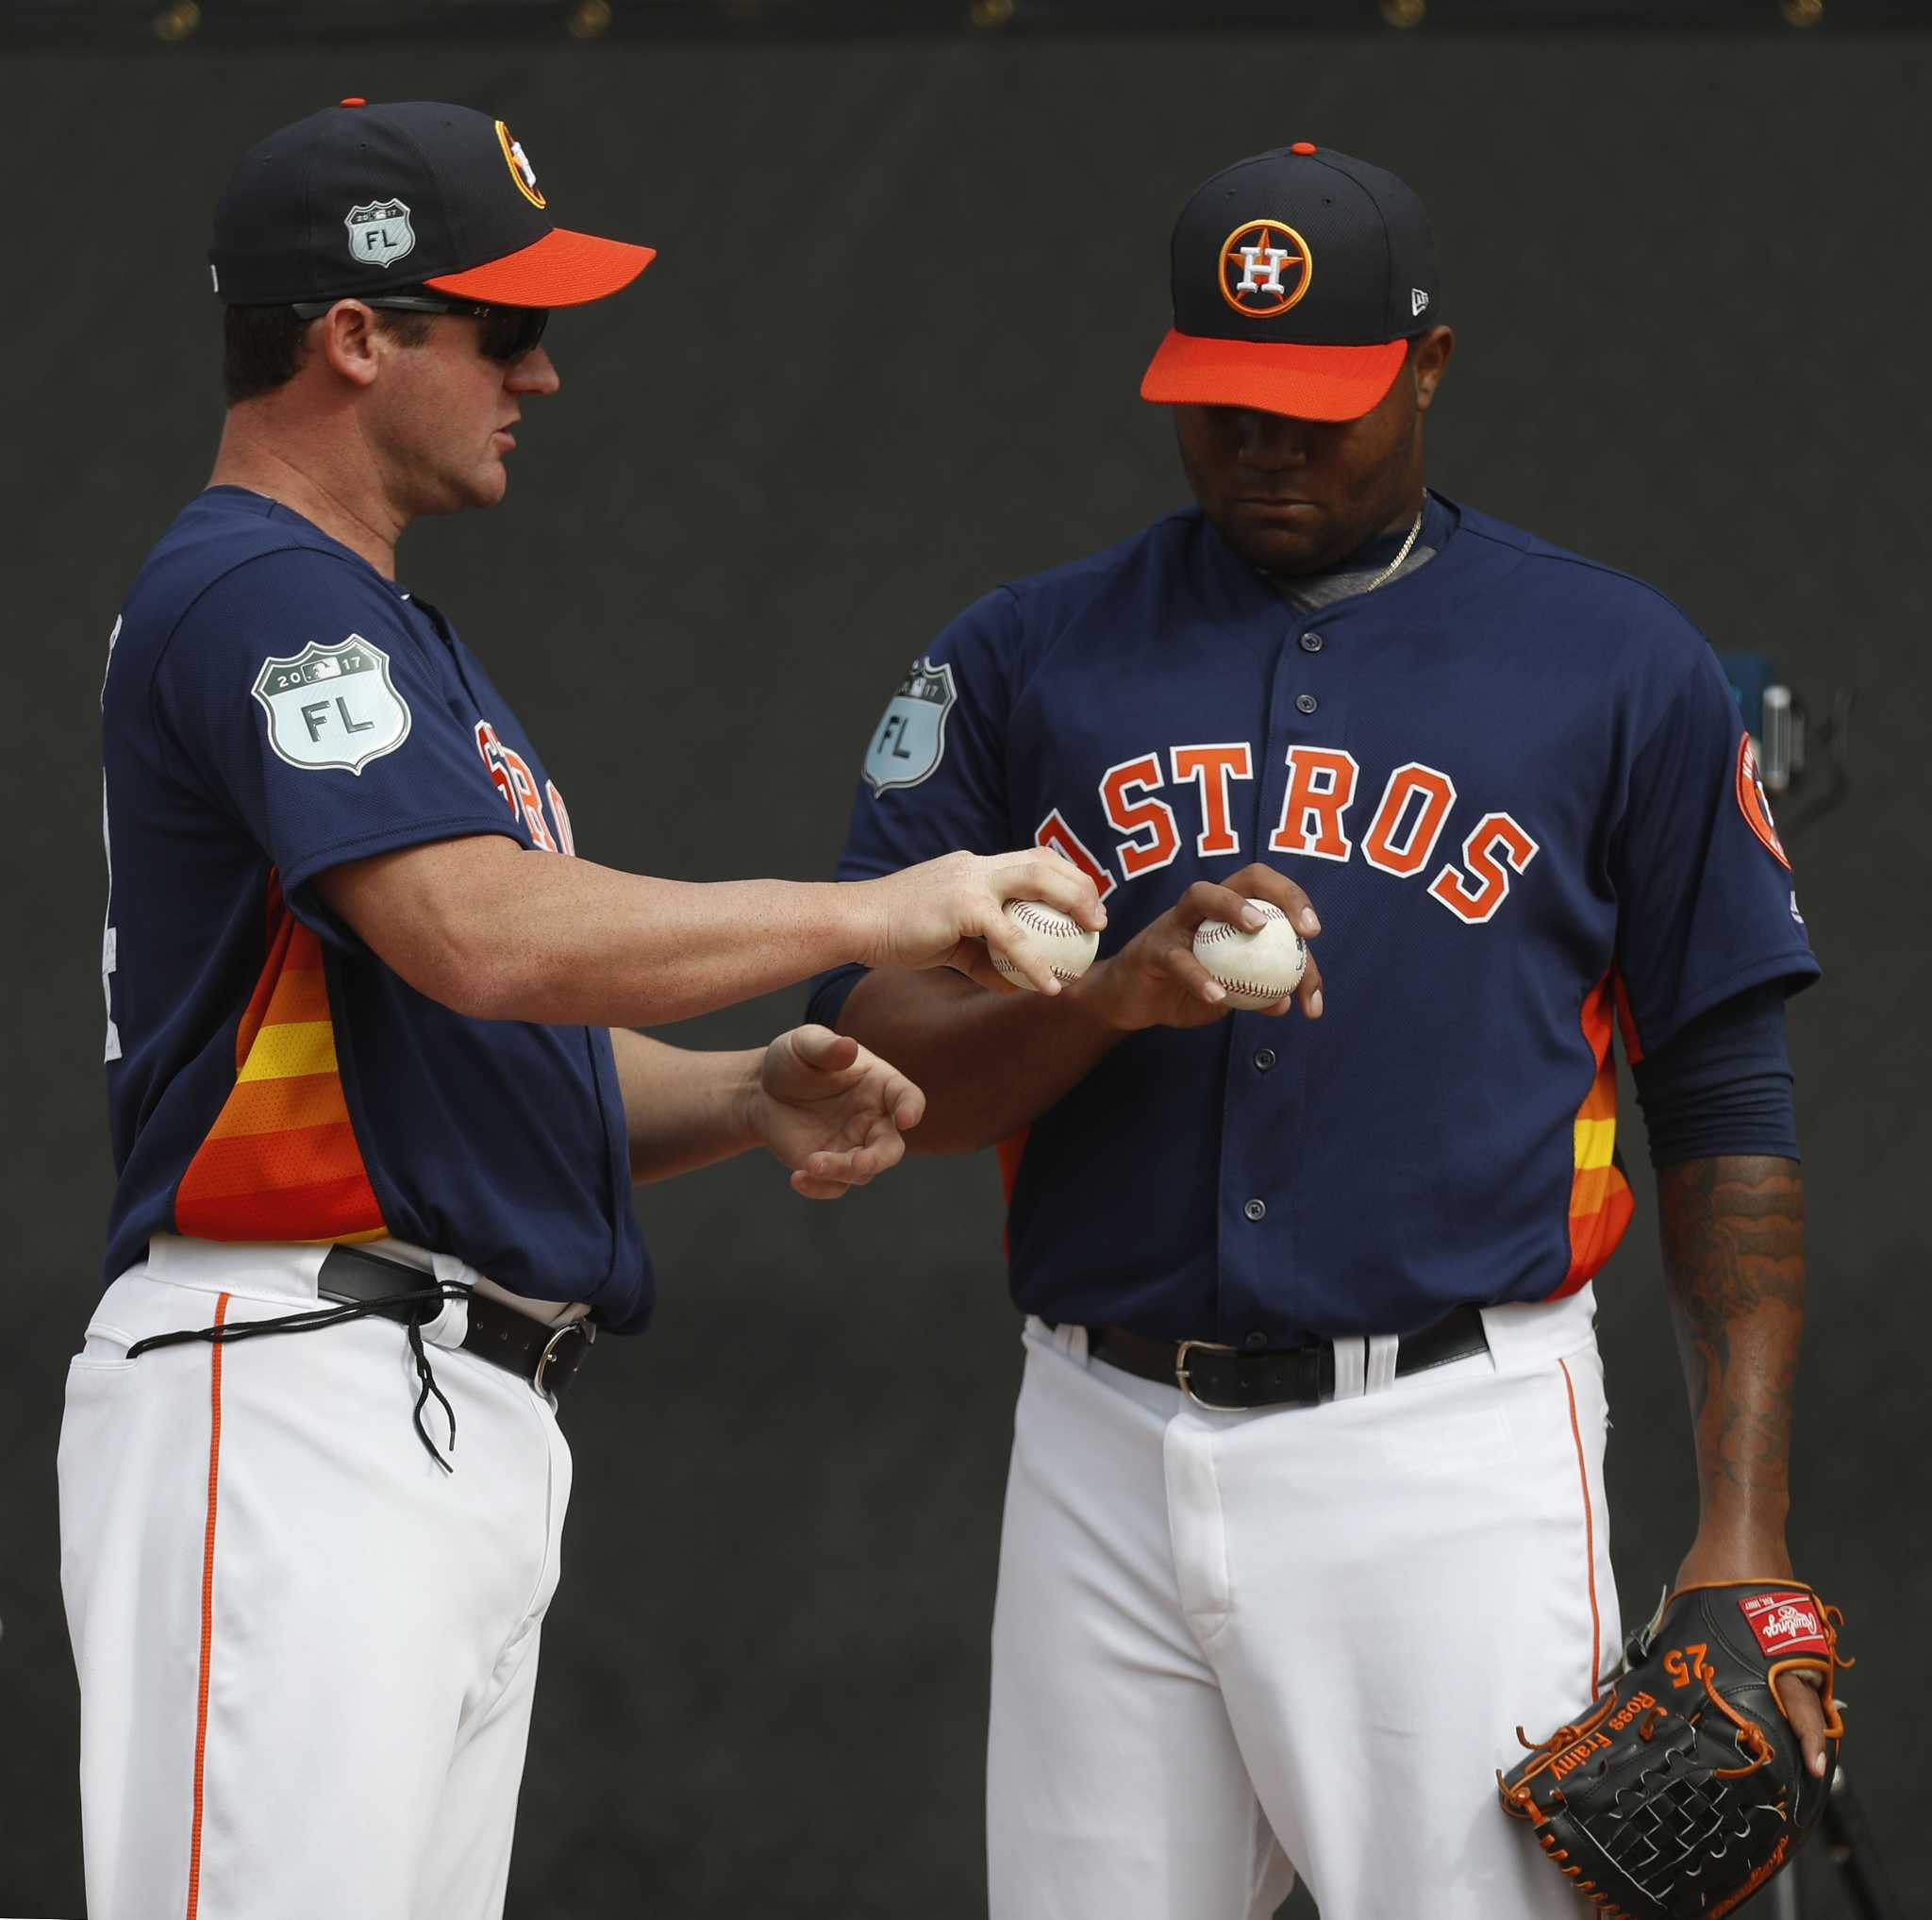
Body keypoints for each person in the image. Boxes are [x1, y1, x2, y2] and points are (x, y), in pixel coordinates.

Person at [66, 97, 1102, 1920]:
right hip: (293, 1388)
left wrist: (738, 1102)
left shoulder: (386, 629)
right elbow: (481, 934)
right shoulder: (256, 595)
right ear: (355, 334)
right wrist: (877, 903)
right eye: (506, 326)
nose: (541, 375)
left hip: (427, 1404)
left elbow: (471, 1028)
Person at [811, 141, 1833, 1918]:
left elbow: (1729, 1090)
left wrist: (1742, 1528)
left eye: (1317, 403)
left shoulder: (1613, 661)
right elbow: (881, 1050)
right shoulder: (1025, 657)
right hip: (1098, 1439)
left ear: (1428, 368)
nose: (1267, 443)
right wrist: (1122, 989)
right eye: (1224, 405)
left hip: (1444, 1450)